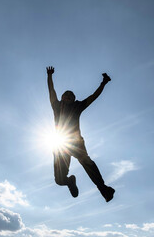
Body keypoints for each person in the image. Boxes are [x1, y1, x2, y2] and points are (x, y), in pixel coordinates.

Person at [46, 66, 115, 202]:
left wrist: (103, 83)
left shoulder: (77, 106)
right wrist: (49, 76)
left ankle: (104, 189)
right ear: (62, 98)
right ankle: (70, 181)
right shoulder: (56, 106)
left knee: (86, 162)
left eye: (70, 96)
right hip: (60, 144)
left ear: (73, 99)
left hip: (75, 142)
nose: (67, 97)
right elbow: (51, 91)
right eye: (65, 95)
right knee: (59, 180)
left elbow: (93, 97)